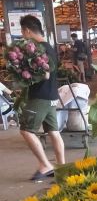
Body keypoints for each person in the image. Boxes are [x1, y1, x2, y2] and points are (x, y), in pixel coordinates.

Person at [19, 15, 65, 181]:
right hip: (52, 95)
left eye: (23, 32)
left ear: (28, 30)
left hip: (40, 96)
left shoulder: (38, 49)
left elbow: (44, 74)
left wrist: (25, 74)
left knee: (26, 130)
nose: (23, 36)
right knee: (53, 132)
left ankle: (46, 165)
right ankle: (62, 167)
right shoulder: (50, 47)